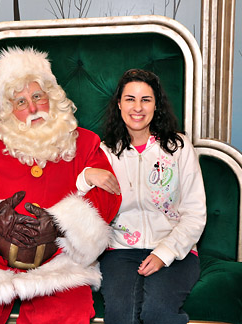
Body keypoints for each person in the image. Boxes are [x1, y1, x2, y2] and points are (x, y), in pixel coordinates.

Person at [0, 47, 122, 324]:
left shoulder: (85, 142)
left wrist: (60, 224)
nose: (32, 108)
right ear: (7, 110)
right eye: (20, 102)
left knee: (66, 312)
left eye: (37, 96)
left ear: (51, 96)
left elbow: (107, 196)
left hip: (58, 258)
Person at [76, 69, 207, 324]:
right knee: (121, 315)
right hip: (119, 251)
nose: (138, 107)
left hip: (175, 249)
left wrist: (164, 253)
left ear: (156, 105)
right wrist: (87, 176)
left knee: (158, 313)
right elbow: (77, 207)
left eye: (145, 99)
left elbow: (195, 213)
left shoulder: (179, 148)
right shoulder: (104, 152)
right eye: (130, 99)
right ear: (119, 104)